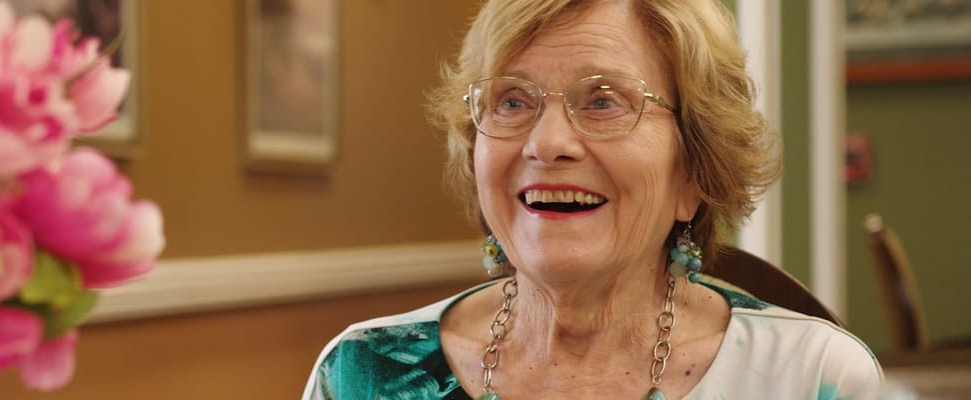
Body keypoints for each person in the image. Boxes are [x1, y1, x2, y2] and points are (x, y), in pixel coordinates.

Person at [302, 0, 883, 399]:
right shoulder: (363, 374)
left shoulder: (810, 379)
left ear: (692, 172)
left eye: (603, 101)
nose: (547, 143)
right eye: (511, 101)